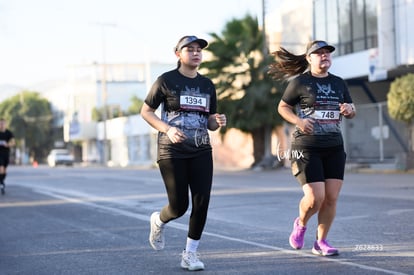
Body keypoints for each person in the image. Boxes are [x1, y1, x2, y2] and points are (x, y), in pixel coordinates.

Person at [140, 35, 226, 271]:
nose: (196, 52)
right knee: (179, 206)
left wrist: (216, 120)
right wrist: (167, 129)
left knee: (201, 203)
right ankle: (158, 220)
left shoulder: (207, 85)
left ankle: (190, 254)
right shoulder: (165, 81)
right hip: (172, 151)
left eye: (199, 49)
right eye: (190, 49)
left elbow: (209, 121)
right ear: (178, 54)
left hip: (201, 149)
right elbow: (146, 111)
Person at [269, 40, 356, 256]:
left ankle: (321, 242)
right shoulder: (300, 82)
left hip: (334, 146)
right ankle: (300, 223)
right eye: (319, 53)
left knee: (331, 198)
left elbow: (351, 109)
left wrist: (349, 109)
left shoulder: (339, 83)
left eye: (327, 52)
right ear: (309, 58)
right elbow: (283, 107)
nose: (324, 55)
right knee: (315, 198)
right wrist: (298, 122)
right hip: (306, 147)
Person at [0, 118, 15, 195]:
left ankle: (2, 181)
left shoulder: (8, 133)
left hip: (6, 153)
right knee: (1, 168)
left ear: (5, 124)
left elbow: (13, 142)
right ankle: (2, 183)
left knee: (4, 170)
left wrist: (8, 144)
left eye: (3, 123)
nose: (1, 125)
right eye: (0, 124)